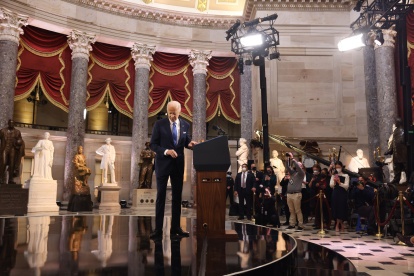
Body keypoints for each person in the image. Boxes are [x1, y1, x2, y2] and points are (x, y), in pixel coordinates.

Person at [149, 101, 197, 240]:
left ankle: (175, 228)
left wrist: (191, 144)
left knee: (177, 197)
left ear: (180, 111)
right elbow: (153, 145)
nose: (172, 116)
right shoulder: (159, 125)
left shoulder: (185, 125)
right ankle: (158, 229)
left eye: (174, 113)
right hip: (162, 165)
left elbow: (185, 142)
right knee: (161, 197)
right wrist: (166, 151)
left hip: (178, 165)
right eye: (170, 113)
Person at [0, 119, 25, 184]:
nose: (11, 124)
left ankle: (10, 179)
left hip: (13, 149)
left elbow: (20, 139)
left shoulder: (17, 132)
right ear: (8, 123)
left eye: (13, 123)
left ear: (14, 124)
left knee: (12, 164)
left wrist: (19, 142)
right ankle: (0, 178)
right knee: (4, 163)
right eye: (10, 123)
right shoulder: (3, 131)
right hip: (4, 148)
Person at [285, 152, 305, 231]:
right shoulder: (293, 173)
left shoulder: (301, 173)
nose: (297, 165)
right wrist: (287, 159)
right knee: (291, 210)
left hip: (296, 194)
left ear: (301, 166)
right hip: (289, 194)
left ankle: (300, 224)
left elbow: (297, 167)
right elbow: (287, 167)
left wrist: (293, 158)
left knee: (297, 210)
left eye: (299, 164)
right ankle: (292, 224)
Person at [384, 118, 407, 184]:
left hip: (403, 153)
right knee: (396, 167)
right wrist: (389, 150)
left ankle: (408, 180)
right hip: (396, 153)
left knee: (405, 167)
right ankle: (396, 179)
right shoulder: (396, 131)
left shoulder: (404, 130)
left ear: (399, 123)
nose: (395, 123)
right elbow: (393, 142)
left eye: (396, 122)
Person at [329, 161, 350, 232]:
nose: (338, 169)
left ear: (342, 167)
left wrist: (339, 183)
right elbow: (331, 185)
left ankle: (338, 224)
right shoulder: (334, 175)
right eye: (336, 167)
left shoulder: (346, 175)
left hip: (342, 193)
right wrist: (335, 182)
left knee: (341, 208)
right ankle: (339, 224)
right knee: (336, 208)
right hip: (335, 193)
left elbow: (346, 186)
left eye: (339, 167)